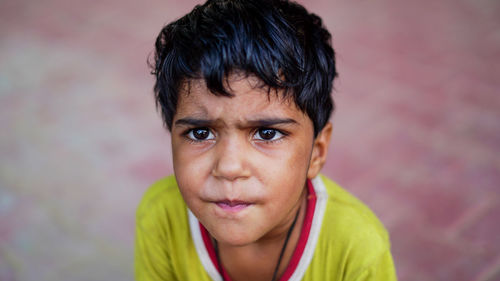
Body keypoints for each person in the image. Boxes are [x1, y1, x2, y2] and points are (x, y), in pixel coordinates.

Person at [134, 0, 397, 280]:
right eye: (201, 133)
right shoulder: (161, 217)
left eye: (267, 133)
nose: (229, 168)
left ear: (317, 152)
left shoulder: (356, 249)